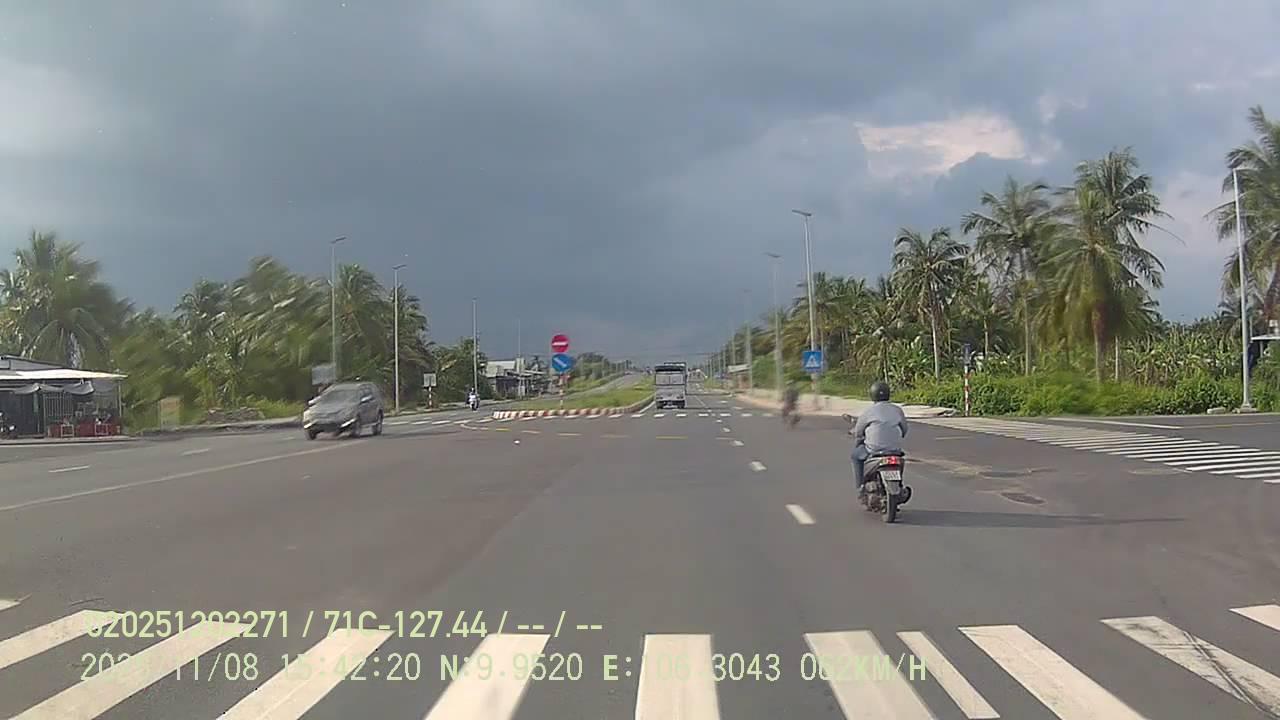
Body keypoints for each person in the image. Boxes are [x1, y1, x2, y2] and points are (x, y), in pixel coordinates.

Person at [851, 380, 909, 498]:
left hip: (874, 450)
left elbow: (858, 432)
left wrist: (858, 437)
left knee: (856, 456)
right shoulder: (897, 410)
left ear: (872, 394)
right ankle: (899, 486)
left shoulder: (869, 411)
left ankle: (860, 486)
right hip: (895, 451)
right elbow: (904, 430)